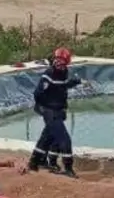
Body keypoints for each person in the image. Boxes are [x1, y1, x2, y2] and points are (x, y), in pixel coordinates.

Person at [27, 47, 81, 177]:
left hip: (58, 110)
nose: (60, 64)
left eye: (63, 62)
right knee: (64, 139)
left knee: (47, 137)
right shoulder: (49, 74)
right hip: (50, 112)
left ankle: (34, 162)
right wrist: (43, 107)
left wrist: (75, 82)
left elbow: (62, 85)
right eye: (58, 61)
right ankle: (68, 168)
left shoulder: (63, 72)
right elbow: (37, 93)